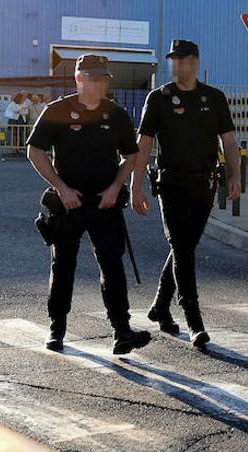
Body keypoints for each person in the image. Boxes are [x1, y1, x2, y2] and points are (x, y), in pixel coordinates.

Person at [25, 54, 152, 355]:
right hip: (68, 204)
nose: (99, 84)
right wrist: (61, 187)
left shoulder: (115, 113)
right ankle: (57, 329)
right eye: (93, 78)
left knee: (112, 265)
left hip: (104, 203)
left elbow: (130, 156)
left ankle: (122, 331)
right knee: (63, 265)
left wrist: (116, 187)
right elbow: (35, 151)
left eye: (103, 79)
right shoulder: (58, 110)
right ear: (79, 79)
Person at [131, 39, 241, 350]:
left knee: (186, 246)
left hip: (204, 185)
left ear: (194, 61)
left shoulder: (214, 98)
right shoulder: (159, 98)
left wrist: (235, 175)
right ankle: (194, 320)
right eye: (172, 60)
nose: (176, 65)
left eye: (182, 59)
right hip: (171, 185)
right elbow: (144, 145)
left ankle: (160, 306)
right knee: (181, 246)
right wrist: (135, 185)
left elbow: (229, 142)